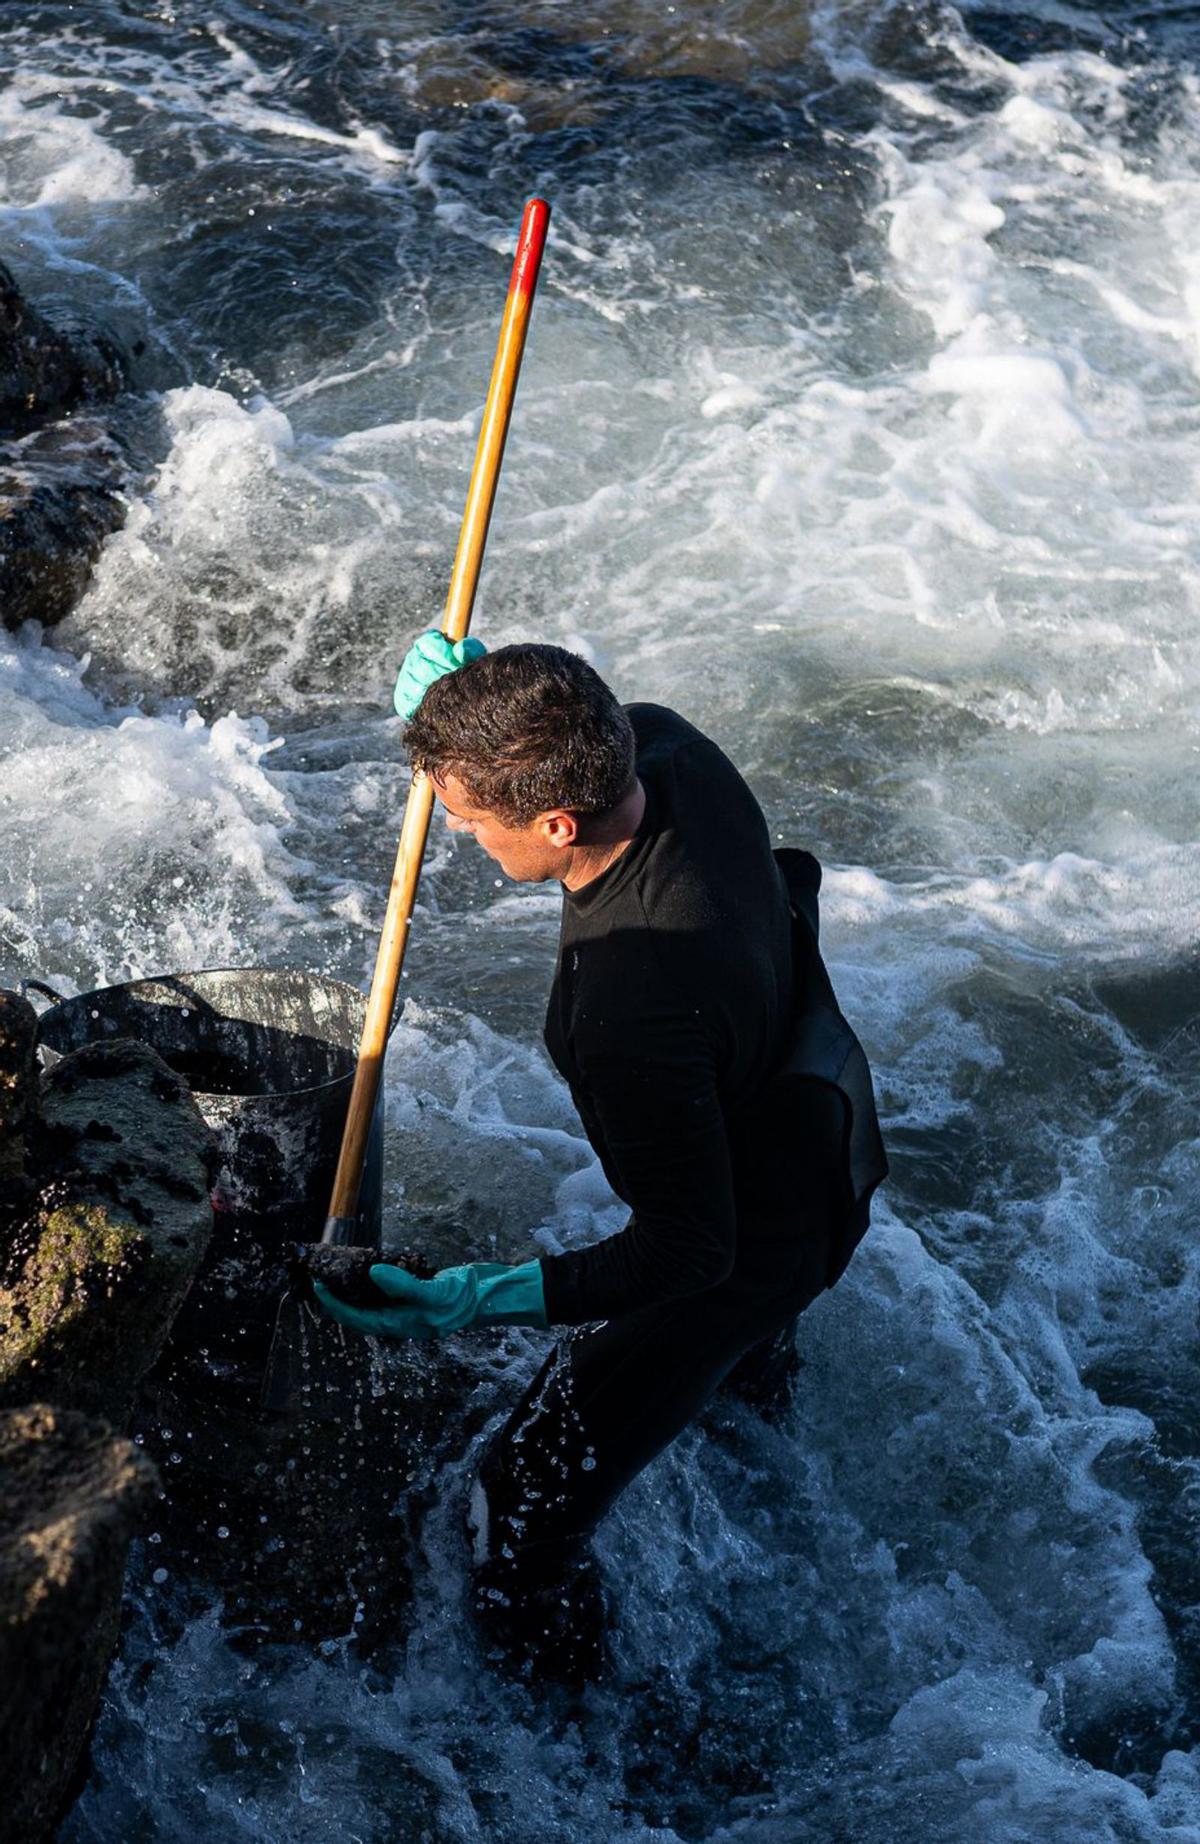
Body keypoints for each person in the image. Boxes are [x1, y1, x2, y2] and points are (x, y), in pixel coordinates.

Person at [315, 635, 887, 1683]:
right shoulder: (667, 747)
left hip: (752, 1238)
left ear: (557, 823)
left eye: (473, 815)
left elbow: (687, 1249)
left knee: (515, 1498)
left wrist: (466, 1297)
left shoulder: (633, 1007)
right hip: (815, 1115)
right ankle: (753, 1422)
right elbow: (560, 731)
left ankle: (579, 1733)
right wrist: (470, 710)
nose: (457, 826)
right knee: (733, 1387)